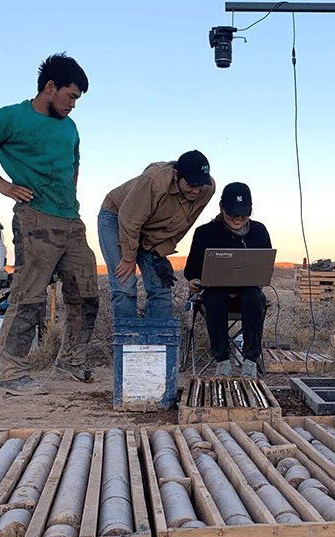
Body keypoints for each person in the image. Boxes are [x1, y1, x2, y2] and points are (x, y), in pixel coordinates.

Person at [0, 53, 99, 395]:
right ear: (51, 87)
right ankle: (11, 370)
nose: (73, 105)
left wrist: (70, 192)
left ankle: (71, 362)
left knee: (88, 293)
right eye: (71, 96)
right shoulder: (10, 118)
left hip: (70, 221)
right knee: (29, 296)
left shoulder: (70, 127)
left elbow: (74, 160)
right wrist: (3, 186)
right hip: (35, 220)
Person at [99, 151, 215, 319]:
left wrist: (159, 253)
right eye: (191, 184)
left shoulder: (207, 189)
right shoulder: (155, 180)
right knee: (125, 285)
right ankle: (127, 340)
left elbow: (183, 224)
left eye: (200, 185)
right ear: (176, 175)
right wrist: (128, 258)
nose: (196, 191)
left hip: (149, 228)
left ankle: (156, 341)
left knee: (161, 287)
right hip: (117, 217)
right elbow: (130, 219)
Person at [184, 182, 271, 378]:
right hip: (216, 293)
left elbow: (264, 267)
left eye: (243, 213)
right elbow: (191, 270)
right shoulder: (205, 233)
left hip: (248, 293)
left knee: (253, 297)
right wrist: (193, 281)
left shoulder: (259, 232)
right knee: (216, 297)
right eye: (233, 213)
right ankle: (222, 360)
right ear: (222, 207)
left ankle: (250, 361)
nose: (238, 218)